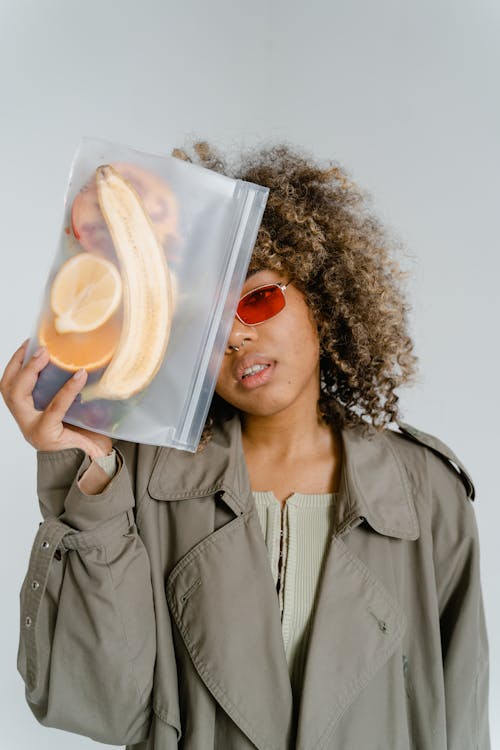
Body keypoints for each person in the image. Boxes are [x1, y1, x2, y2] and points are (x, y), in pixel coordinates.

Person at [1, 142, 490, 749]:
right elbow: (103, 707)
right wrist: (92, 470)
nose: (234, 335)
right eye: (204, 325)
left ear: (323, 296)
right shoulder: (145, 483)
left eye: (258, 297)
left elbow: (461, 714)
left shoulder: (425, 491)